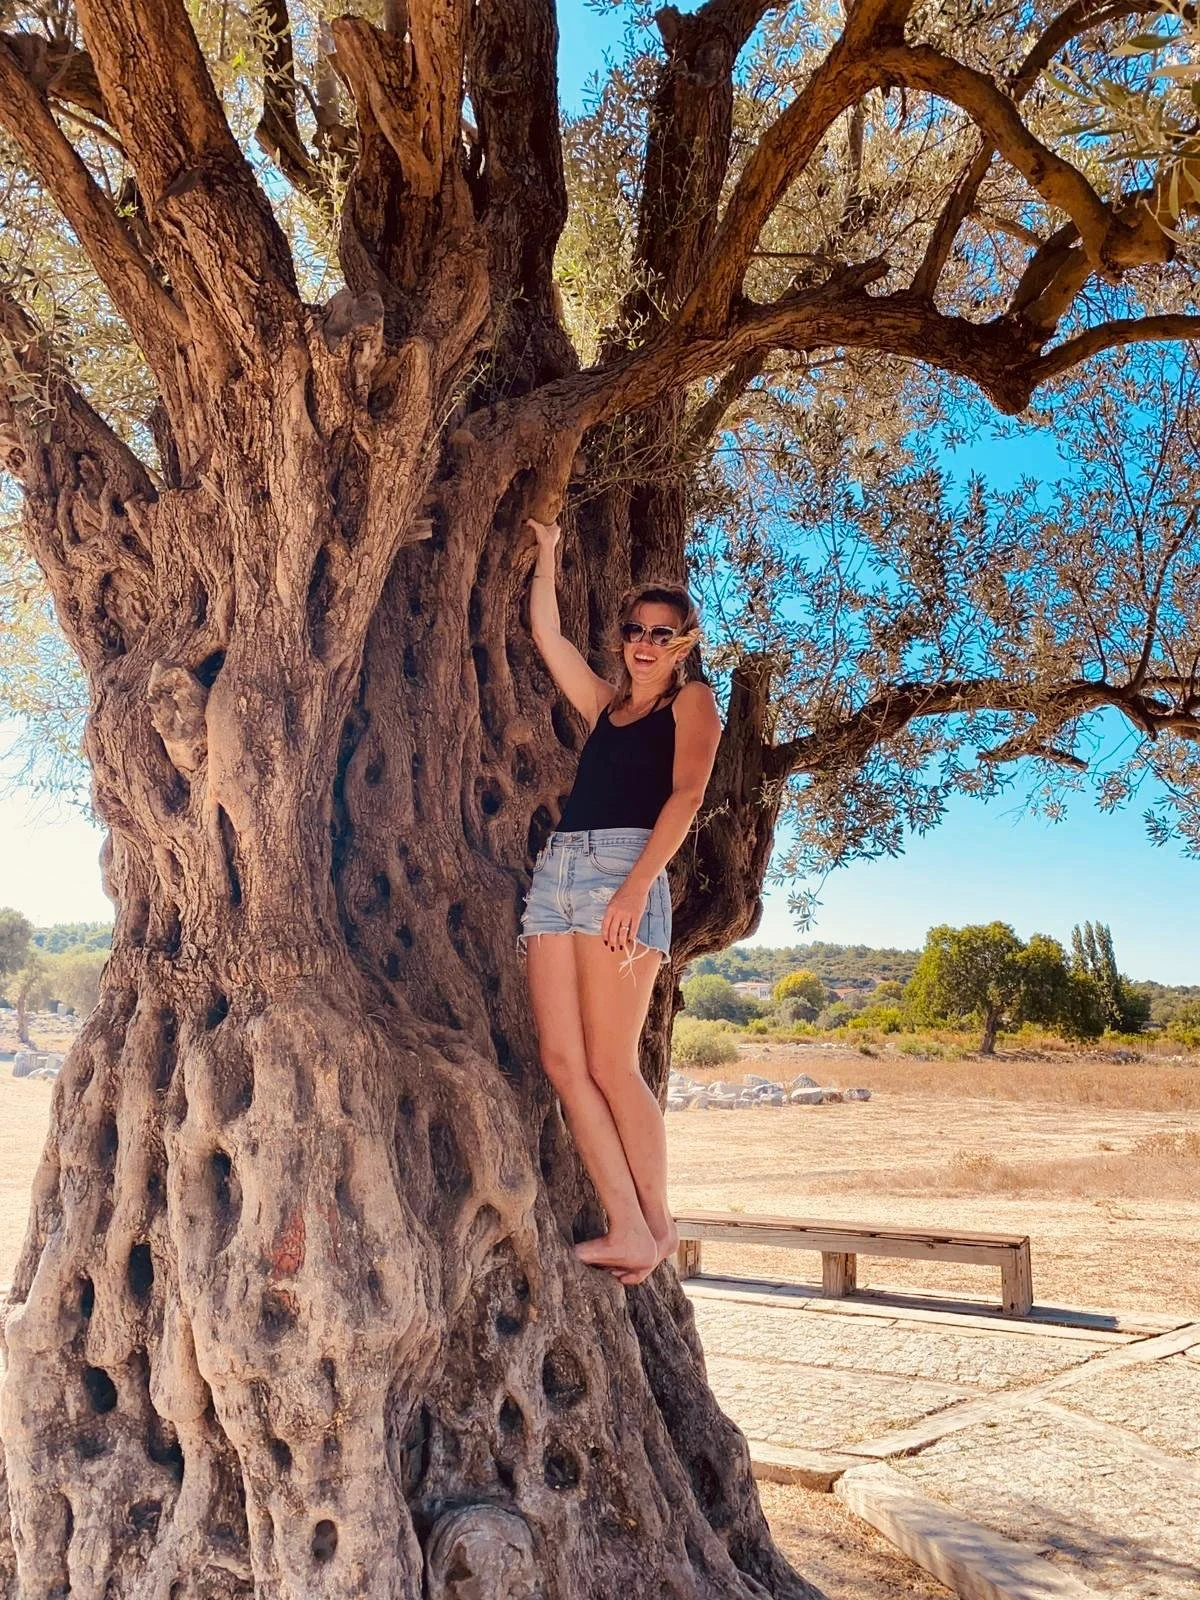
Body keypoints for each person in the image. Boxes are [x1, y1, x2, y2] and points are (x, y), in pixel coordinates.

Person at [519, 516, 722, 1287]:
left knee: (611, 1061)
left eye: (661, 633)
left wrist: (636, 886)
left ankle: (656, 1225)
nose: (645, 642)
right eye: (635, 629)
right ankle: (629, 1228)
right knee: (563, 1061)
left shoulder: (692, 701)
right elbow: (548, 638)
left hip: (622, 873)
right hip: (559, 873)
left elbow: (687, 795)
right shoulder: (607, 707)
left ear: (683, 642)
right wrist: (548, 554)